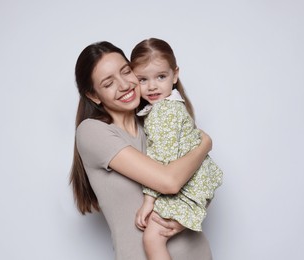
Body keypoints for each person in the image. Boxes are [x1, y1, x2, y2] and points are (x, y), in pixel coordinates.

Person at [70, 41, 214, 260]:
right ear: (94, 96)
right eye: (108, 83)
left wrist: (181, 221)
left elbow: (203, 180)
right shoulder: (92, 132)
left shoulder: (156, 123)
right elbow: (170, 182)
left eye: (126, 72)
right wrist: (205, 144)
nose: (124, 85)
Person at [130, 38, 223, 260]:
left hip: (186, 185)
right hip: (196, 182)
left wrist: (148, 201)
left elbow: (161, 160)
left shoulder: (163, 112)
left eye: (161, 77)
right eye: (143, 79)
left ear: (175, 74)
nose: (152, 86)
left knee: (152, 238)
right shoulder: (174, 106)